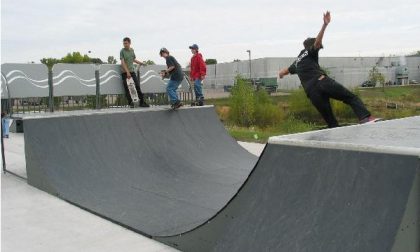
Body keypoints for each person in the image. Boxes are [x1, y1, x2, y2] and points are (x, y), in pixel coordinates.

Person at [279, 11, 379, 128]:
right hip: (322, 83)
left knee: (332, 123)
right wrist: (325, 25)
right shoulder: (309, 51)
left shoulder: (296, 62)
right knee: (351, 98)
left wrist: (280, 74)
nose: (319, 48)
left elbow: (284, 71)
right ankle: (365, 118)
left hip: (312, 93)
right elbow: (317, 43)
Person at [120, 37, 149, 107]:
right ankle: (131, 103)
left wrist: (141, 63)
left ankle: (142, 102)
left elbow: (133, 59)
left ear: (129, 43)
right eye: (124, 43)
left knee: (137, 86)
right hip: (124, 72)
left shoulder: (132, 50)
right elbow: (122, 63)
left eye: (126, 43)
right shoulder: (122, 51)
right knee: (127, 88)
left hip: (132, 71)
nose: (125, 45)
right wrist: (127, 72)